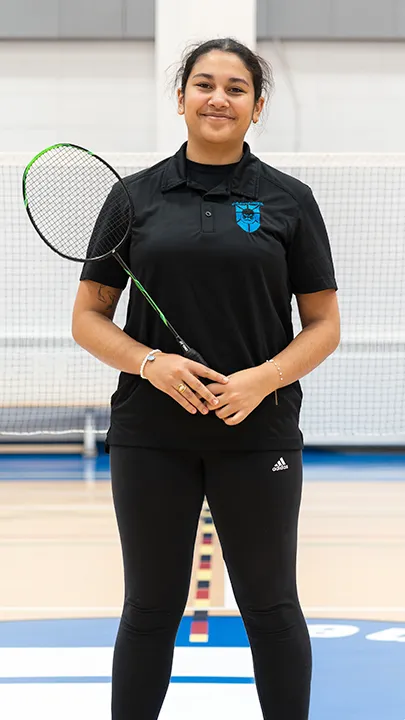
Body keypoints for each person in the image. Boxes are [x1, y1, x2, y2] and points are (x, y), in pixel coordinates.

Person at [72, 37, 340, 720]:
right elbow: (89, 317)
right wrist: (149, 362)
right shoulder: (132, 198)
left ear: (255, 107)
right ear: (182, 97)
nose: (217, 97)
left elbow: (322, 324)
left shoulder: (289, 200)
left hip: (259, 431)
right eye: (203, 84)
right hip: (150, 434)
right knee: (150, 606)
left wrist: (261, 379)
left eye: (235, 88)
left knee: (270, 603)